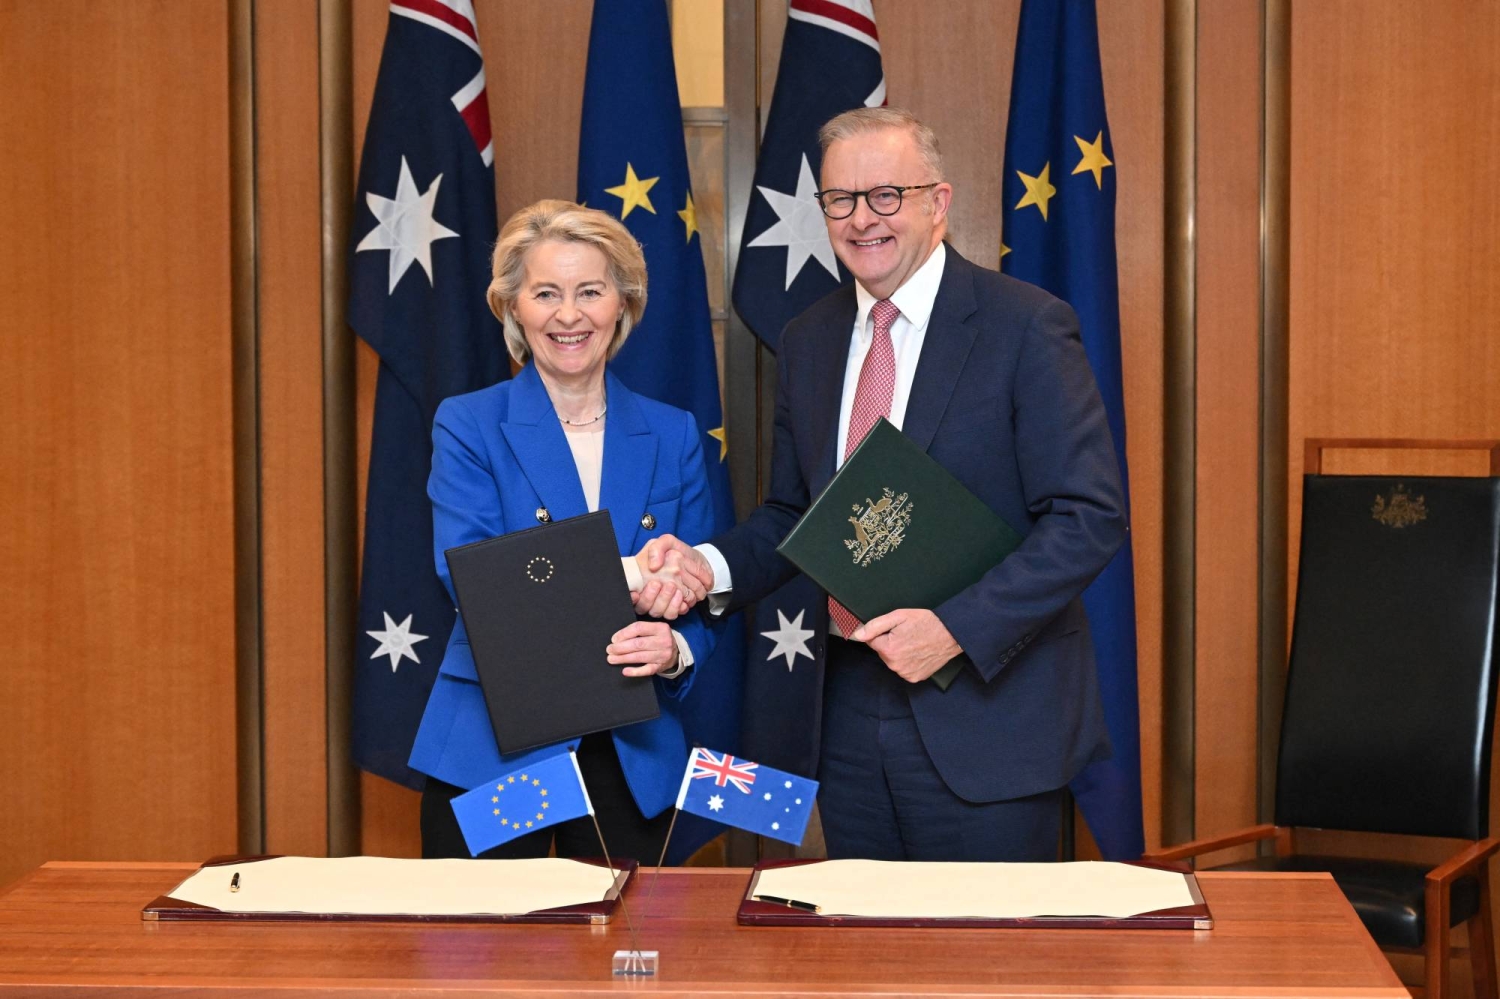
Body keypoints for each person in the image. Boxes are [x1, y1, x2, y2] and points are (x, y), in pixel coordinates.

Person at [640, 107, 1127, 862]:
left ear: (939, 202)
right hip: (846, 712)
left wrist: (956, 628)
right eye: (840, 200)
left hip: (989, 713)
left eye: (886, 196)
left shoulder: (1025, 325)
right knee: (861, 962)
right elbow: (794, 515)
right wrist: (712, 568)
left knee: (984, 969)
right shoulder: (809, 337)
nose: (862, 219)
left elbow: (1087, 516)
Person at [410, 199, 715, 862]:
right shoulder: (467, 424)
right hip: (494, 745)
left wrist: (676, 646)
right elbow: (478, 577)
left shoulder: (674, 432)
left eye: (590, 291)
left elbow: (702, 590)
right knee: (482, 954)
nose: (569, 315)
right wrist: (636, 573)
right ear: (514, 307)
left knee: (624, 957)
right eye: (546, 293)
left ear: (622, 304)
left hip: (632, 753)